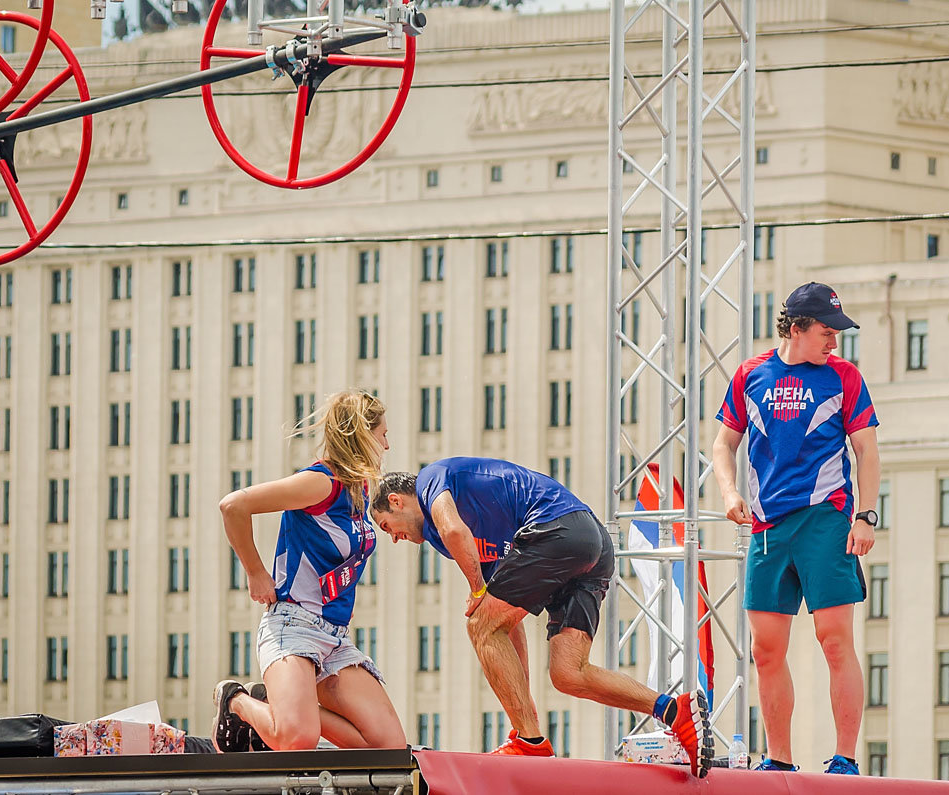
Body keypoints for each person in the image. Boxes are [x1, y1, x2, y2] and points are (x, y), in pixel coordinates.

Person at [371, 457, 714, 776]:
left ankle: (530, 742)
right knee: (568, 674)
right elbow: (505, 621)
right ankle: (675, 711)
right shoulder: (446, 537)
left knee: (479, 623)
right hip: (590, 546)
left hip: (557, 530)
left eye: (387, 527)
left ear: (397, 501)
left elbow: (456, 534)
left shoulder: (431, 482)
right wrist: (525, 708)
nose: (395, 539)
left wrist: (478, 593)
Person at [711, 282, 880, 776]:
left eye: (837, 334)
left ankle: (845, 757)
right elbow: (724, 444)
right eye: (827, 332)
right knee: (765, 649)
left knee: (833, 638)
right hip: (767, 526)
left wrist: (865, 516)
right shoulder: (750, 375)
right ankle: (778, 759)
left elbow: (867, 451)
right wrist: (728, 493)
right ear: (797, 328)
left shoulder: (844, 377)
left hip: (825, 518)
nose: (834, 343)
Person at [211, 390, 405, 752]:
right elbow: (233, 506)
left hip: (334, 638)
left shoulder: (359, 490)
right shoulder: (321, 482)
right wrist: (256, 573)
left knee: (389, 749)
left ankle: (283, 708)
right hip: (293, 626)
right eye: (383, 435)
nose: (387, 445)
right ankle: (236, 702)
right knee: (298, 738)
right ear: (363, 436)